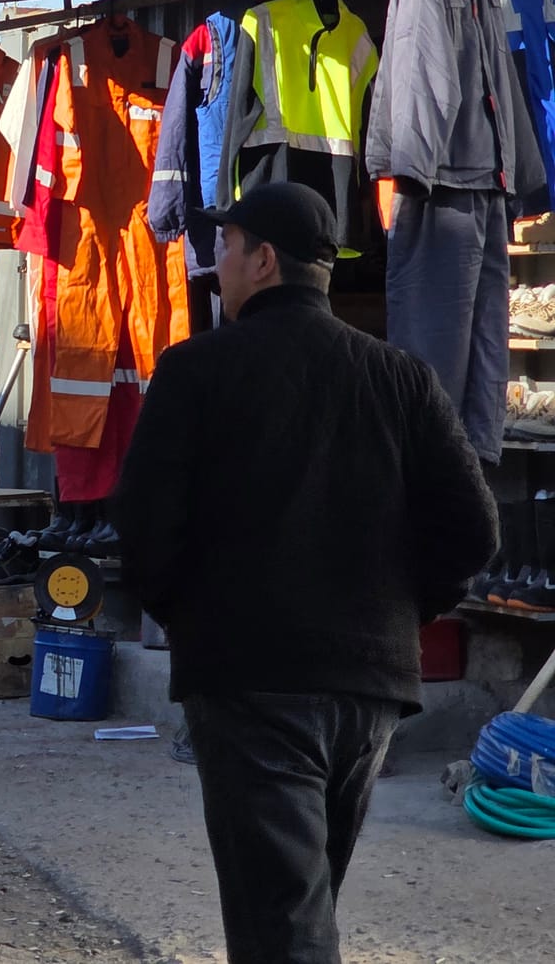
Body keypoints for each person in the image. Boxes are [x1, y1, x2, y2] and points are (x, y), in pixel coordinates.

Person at [112, 182, 498, 964]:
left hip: (251, 679)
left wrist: (193, 619)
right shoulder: (400, 376)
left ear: (263, 261)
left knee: (283, 922)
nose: (215, 262)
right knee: (300, 902)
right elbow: (474, 532)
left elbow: (143, 531)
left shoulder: (196, 370)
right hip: (368, 686)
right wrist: (402, 613)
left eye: (225, 246)